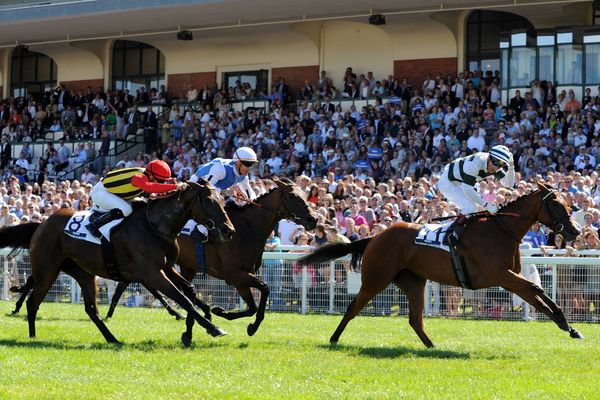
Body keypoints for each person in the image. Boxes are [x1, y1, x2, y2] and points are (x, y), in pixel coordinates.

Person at [86, 159, 177, 237]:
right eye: (161, 181)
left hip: (113, 192)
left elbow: (149, 191)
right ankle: (94, 226)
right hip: (101, 192)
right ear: (151, 176)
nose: (163, 183)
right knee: (127, 209)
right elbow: (149, 187)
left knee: (141, 203)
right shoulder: (139, 177)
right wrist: (175, 187)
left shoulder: (146, 175)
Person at [189, 146, 258, 241]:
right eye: (248, 164)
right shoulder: (221, 168)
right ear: (237, 162)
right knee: (217, 199)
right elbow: (205, 189)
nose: (249, 167)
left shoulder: (243, 177)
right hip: (197, 184)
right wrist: (225, 192)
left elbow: (250, 195)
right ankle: (199, 229)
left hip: (214, 187)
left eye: (252, 164)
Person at [438, 144, 515, 217]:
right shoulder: (476, 162)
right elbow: (467, 189)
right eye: (495, 163)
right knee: (471, 208)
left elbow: (509, 184)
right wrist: (486, 205)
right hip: (447, 182)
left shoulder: (495, 166)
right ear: (489, 158)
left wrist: (511, 166)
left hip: (461, 183)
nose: (496, 168)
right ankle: (453, 230)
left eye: (500, 166)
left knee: (477, 208)